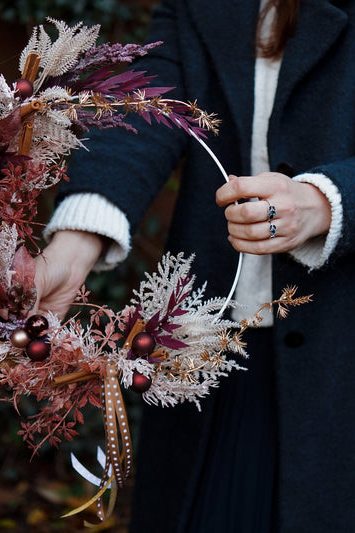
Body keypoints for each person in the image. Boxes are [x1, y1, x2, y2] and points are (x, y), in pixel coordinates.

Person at [34, 0, 355, 531]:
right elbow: (151, 101)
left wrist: (328, 202)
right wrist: (75, 242)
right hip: (209, 346)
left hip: (337, 355)